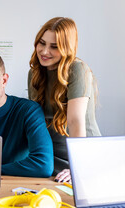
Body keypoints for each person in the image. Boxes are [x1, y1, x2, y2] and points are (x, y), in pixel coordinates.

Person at [28, 17, 101, 183]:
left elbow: (75, 121)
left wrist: (77, 165)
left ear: (67, 48)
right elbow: (35, 119)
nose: (45, 51)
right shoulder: (34, 73)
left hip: (82, 153)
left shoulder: (77, 69)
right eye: (42, 43)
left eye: (54, 47)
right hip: (50, 154)